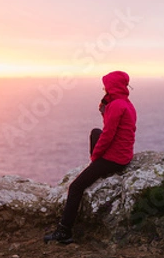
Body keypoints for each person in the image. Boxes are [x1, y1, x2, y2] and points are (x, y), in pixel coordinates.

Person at [44, 71, 137, 244]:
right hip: (124, 154)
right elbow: (112, 129)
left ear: (112, 86)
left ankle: (64, 232)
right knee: (95, 132)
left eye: (106, 85)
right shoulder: (125, 103)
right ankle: (99, 169)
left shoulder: (116, 106)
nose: (104, 88)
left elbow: (108, 136)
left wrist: (95, 159)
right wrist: (104, 110)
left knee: (75, 187)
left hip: (114, 159)